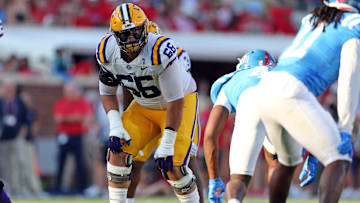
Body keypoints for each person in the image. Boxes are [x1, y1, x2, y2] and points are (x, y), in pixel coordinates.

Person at [254, 1, 358, 202]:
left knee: (288, 161)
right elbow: (349, 79)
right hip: (292, 89)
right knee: (339, 157)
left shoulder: (312, 19)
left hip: (268, 85)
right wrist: (345, 128)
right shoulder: (354, 24)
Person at [96, 3, 200, 203]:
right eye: (125, 34)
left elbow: (175, 101)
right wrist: (116, 126)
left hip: (178, 104)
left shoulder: (159, 50)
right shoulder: (107, 50)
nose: (132, 38)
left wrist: (167, 143)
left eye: (135, 31)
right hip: (144, 106)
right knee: (117, 153)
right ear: (114, 35)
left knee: (174, 167)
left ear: (144, 28)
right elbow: (107, 92)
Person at [125, 21, 204, 203]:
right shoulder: (129, 57)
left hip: (178, 110)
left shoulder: (176, 54)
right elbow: (127, 87)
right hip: (148, 111)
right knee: (131, 161)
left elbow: (181, 90)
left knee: (184, 162)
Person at [204, 50, 278, 203]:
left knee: (238, 179)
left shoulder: (234, 79)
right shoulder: (281, 74)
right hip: (282, 100)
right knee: (279, 164)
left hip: (251, 102)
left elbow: (210, 134)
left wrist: (213, 179)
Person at [53, 81, 93, 194]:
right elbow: (58, 119)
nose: (69, 94)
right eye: (67, 91)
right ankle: (58, 188)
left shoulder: (82, 102)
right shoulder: (60, 103)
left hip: (78, 136)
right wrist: (75, 118)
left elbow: (85, 118)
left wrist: (67, 119)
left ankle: (81, 188)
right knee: (61, 162)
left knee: (80, 163)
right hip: (64, 136)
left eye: (71, 91)